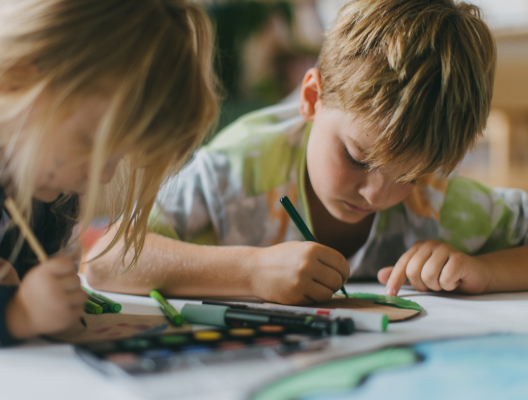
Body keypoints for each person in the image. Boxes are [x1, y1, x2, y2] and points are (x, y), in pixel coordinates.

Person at [85, 0, 528, 304]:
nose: (376, 193)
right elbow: (106, 258)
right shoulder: (241, 171)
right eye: (357, 157)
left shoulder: (439, 200)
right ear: (312, 99)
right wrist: (250, 272)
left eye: (409, 176)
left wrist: (485, 271)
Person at [0, 0, 217, 346]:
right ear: (14, 75)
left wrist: (27, 297)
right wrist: (16, 311)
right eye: (90, 141)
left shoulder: (49, 194)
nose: (104, 175)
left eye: (117, 155)